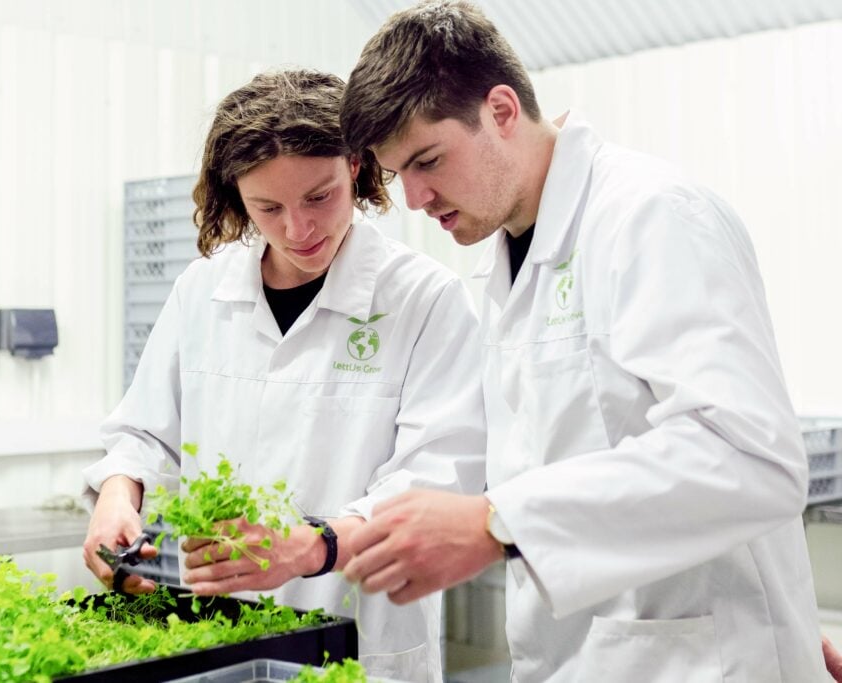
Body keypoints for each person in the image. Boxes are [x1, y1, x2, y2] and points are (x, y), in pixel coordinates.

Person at [337, 2, 827, 681]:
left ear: (502, 110)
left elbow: (750, 456)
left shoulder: (650, 216)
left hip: (703, 659)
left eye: (427, 160)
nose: (415, 199)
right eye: (399, 175)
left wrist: (495, 523)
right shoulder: (504, 263)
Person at [81, 68, 486, 682]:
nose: (299, 230)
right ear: (235, 195)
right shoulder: (202, 290)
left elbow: (437, 479)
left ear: (356, 165)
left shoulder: (425, 299)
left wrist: (315, 545)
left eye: (319, 197)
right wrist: (118, 494)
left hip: (361, 638)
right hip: (215, 635)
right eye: (267, 207)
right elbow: (144, 433)